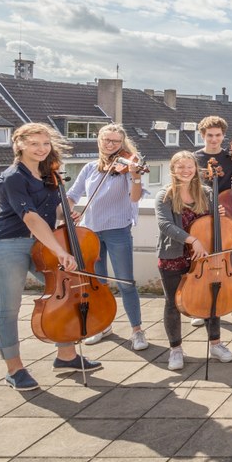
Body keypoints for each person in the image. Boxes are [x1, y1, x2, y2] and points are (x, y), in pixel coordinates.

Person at [0, 123, 102, 390]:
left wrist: (66, 214)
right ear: (20, 145)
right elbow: (31, 217)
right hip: (8, 246)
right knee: (7, 310)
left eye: (45, 143)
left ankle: (66, 356)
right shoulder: (13, 177)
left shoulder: (49, 174)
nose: (41, 149)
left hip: (43, 244)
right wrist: (59, 250)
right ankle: (14, 370)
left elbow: (52, 210)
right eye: (35, 143)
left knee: (68, 294)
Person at [65, 124, 148, 350]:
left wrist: (135, 175)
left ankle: (137, 331)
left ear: (122, 144)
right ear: (99, 141)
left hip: (118, 230)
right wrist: (67, 211)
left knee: (125, 282)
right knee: (98, 284)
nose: (110, 145)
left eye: (115, 142)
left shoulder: (128, 166)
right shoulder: (90, 167)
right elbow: (73, 194)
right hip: (91, 231)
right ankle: (103, 326)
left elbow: (135, 198)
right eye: (107, 140)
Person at [155, 151, 232, 370]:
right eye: (180, 167)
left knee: (212, 298)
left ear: (195, 168)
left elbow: (214, 225)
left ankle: (216, 344)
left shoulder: (207, 192)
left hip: (204, 258)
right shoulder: (165, 195)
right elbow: (165, 225)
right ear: (173, 169)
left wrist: (219, 214)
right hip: (174, 255)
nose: (185, 170)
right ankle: (176, 350)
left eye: (189, 166)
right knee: (173, 303)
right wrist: (192, 240)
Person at [194, 115, 232, 323]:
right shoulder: (194, 158)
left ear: (223, 136)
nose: (214, 139)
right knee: (201, 257)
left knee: (231, 259)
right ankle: (200, 304)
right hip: (200, 213)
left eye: (218, 135)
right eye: (210, 135)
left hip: (226, 214)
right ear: (203, 135)